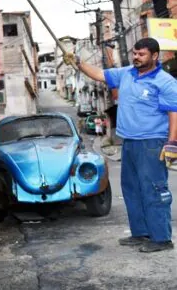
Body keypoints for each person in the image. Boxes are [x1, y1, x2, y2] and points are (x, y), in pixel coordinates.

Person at [65, 37, 177, 253]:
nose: (136, 57)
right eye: (134, 53)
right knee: (132, 189)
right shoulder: (126, 74)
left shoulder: (165, 82)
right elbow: (99, 74)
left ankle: (162, 238)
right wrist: (78, 62)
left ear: (155, 56)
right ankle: (140, 233)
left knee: (154, 189)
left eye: (141, 54)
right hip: (130, 142)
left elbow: (174, 113)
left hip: (152, 142)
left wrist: (172, 143)